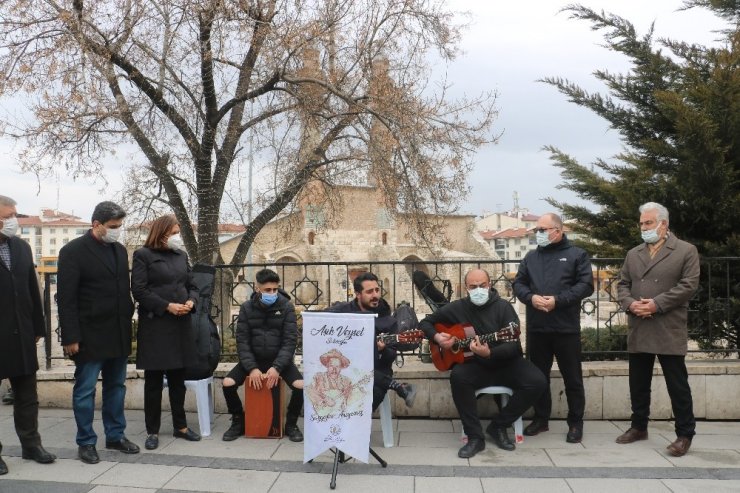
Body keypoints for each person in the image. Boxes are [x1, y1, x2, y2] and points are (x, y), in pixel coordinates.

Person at [419, 269, 547, 458]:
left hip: (505, 363)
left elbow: (514, 347)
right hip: (474, 364)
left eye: (482, 285)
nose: (478, 290)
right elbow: (426, 322)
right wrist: (437, 337)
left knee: (537, 381)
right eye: (473, 287)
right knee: (459, 377)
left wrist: (490, 352)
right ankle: (475, 437)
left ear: (489, 285)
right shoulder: (458, 307)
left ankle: (499, 426)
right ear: (466, 288)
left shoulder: (503, 307)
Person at [57, 201, 139, 464]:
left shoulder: (119, 249)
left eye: (120, 226)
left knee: (116, 387)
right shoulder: (72, 251)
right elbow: (66, 298)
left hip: (117, 332)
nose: (117, 231)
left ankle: (115, 435)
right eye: (113, 227)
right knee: (85, 390)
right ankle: (86, 442)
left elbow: (122, 289)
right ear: (96, 225)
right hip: (89, 334)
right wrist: (70, 337)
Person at [615, 202, 700, 457]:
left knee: (677, 384)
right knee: (638, 383)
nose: (643, 227)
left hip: (668, 326)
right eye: (641, 223)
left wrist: (656, 304)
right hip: (639, 324)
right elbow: (622, 284)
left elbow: (688, 285)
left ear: (663, 224)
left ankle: (685, 434)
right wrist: (630, 304)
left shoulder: (686, 250)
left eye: (648, 223)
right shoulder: (634, 253)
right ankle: (638, 427)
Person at [513, 212, 594, 443]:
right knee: (539, 378)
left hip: (566, 328)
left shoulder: (577, 254)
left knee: (573, 379)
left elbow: (585, 285)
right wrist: (531, 298)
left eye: (542, 229)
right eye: (537, 230)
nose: (538, 233)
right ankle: (541, 419)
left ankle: (576, 424)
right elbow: (518, 283)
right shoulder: (530, 257)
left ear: (558, 231)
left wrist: (558, 300)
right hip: (538, 328)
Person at [131, 215, 201, 450]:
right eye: (173, 232)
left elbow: (192, 284)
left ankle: (180, 426)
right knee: (153, 382)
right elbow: (139, 290)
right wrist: (166, 306)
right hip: (156, 324)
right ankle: (152, 430)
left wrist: (191, 301)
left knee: (177, 380)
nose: (176, 236)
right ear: (161, 233)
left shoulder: (181, 255)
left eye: (178, 232)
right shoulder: (143, 255)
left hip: (180, 323)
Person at [0, 195, 56, 475]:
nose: (13, 220)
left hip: (21, 332)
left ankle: (31, 444)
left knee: (27, 394)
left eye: (14, 215)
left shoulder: (21, 248)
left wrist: (38, 327)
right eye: (8, 215)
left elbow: (32, 289)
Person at [221, 269, 305, 442]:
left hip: (280, 361)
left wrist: (277, 367)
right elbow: (242, 341)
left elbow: (290, 341)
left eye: (275, 289)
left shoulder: (286, 306)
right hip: (254, 360)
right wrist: (252, 368)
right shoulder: (246, 308)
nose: (272, 293)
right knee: (228, 384)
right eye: (268, 290)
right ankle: (238, 421)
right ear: (258, 288)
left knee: (301, 386)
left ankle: (291, 424)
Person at [327, 272, 417, 411]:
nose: (375, 295)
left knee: (369, 393)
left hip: (378, 370)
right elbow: (320, 325)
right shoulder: (342, 312)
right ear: (358, 294)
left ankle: (358, 431)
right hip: (344, 369)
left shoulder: (388, 320)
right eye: (369, 292)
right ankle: (397, 386)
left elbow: (391, 356)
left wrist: (381, 350)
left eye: (377, 290)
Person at [305, 349, 369, 416]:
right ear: (327, 366)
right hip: (320, 415)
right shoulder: (318, 377)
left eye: (337, 366)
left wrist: (361, 388)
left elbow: (351, 400)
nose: (334, 370)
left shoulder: (346, 380)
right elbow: (308, 389)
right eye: (331, 366)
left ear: (341, 367)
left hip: (340, 415)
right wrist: (324, 399)